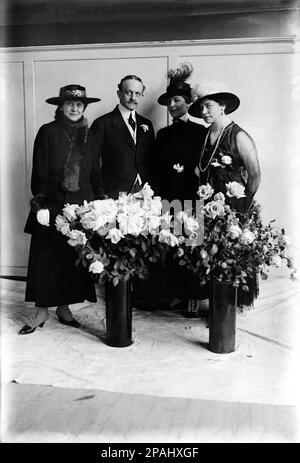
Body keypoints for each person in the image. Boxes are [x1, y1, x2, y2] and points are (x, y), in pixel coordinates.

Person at [20, 84, 103, 335]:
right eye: (70, 104)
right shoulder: (48, 132)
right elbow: (39, 170)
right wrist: (40, 204)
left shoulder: (91, 135)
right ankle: (42, 310)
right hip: (52, 204)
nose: (75, 108)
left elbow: (95, 173)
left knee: (70, 259)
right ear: (61, 107)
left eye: (79, 104)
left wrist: (99, 203)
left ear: (84, 107)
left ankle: (64, 307)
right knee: (46, 259)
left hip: (81, 206)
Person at [188, 86, 261, 308]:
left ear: (222, 107)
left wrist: (244, 204)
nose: (204, 112)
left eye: (208, 106)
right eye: (201, 107)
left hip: (233, 206)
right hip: (207, 205)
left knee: (230, 255)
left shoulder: (238, 135)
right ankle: (214, 303)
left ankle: (229, 306)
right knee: (208, 254)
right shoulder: (206, 135)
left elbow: (255, 173)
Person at [89, 75, 155, 199]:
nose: (133, 98)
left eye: (138, 93)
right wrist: (100, 193)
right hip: (114, 192)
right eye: (128, 92)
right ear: (119, 93)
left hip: (144, 191)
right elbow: (92, 162)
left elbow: (152, 160)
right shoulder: (102, 123)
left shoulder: (147, 124)